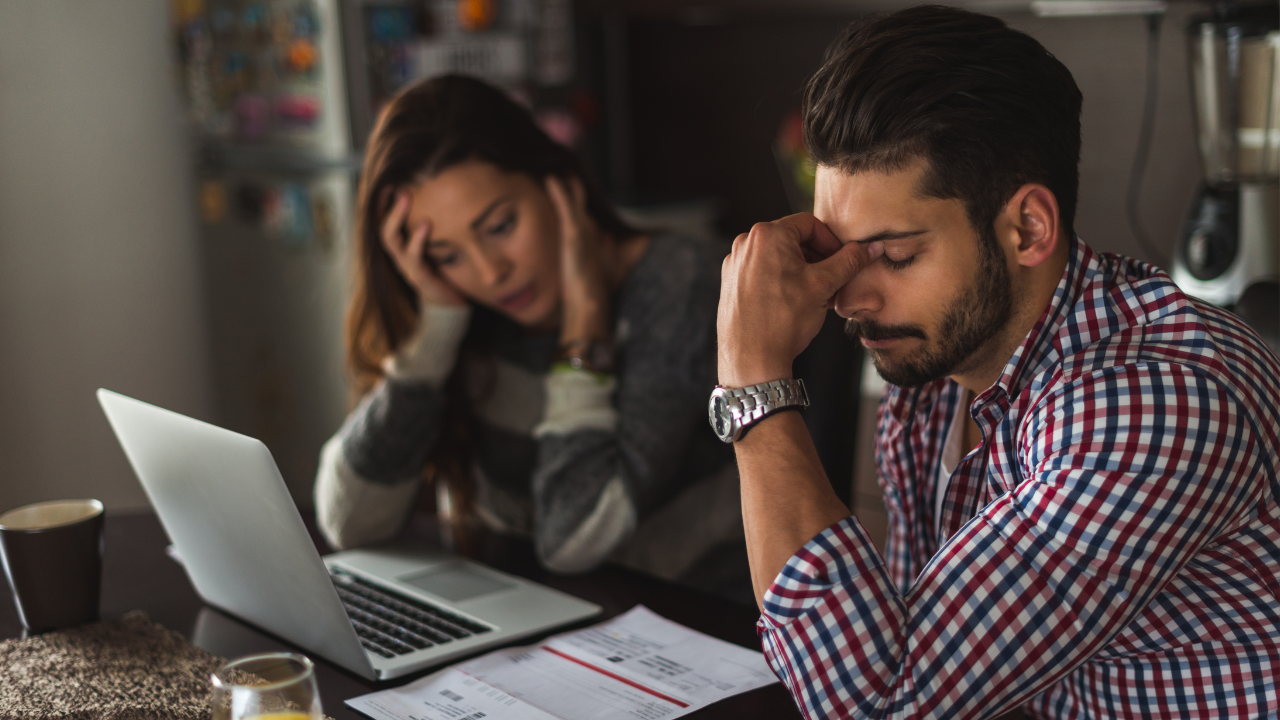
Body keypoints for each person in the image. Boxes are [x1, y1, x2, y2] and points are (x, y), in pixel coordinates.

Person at [715, 6, 1280, 718]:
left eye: (893, 255)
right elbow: (916, 654)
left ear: (1028, 228)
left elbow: (881, 701)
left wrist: (753, 382)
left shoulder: (1153, 399)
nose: (850, 298)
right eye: (838, 254)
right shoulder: (929, 377)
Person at [315, 75, 738, 581]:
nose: (490, 273)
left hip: (681, 619)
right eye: (446, 255)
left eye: (499, 227)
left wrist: (585, 326)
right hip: (526, 608)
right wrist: (435, 331)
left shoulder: (676, 284)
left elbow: (572, 540)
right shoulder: (466, 308)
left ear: (558, 183)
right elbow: (348, 523)